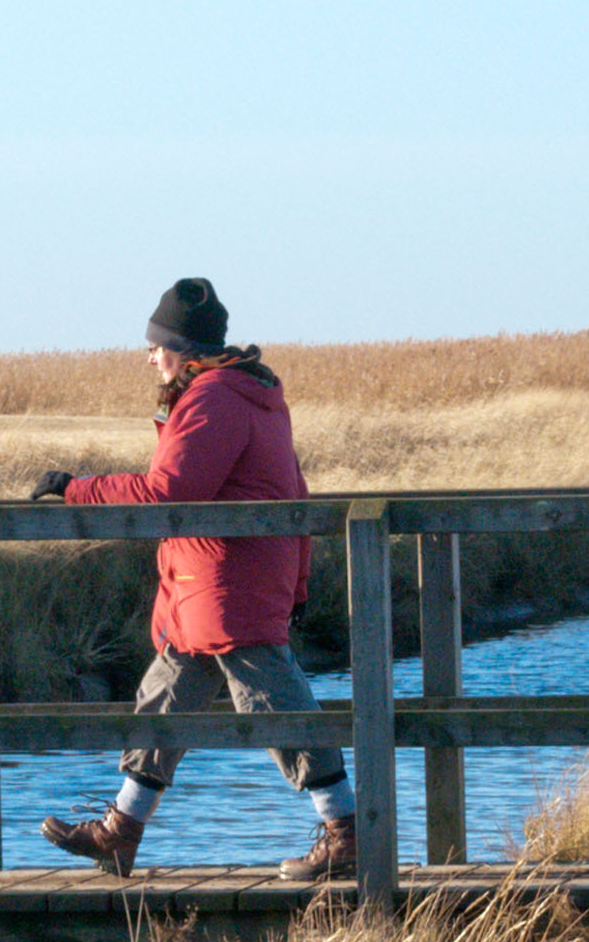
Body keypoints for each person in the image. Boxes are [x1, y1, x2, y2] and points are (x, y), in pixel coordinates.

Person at [32, 277, 361, 881]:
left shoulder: (215, 400)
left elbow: (169, 491)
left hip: (226, 585)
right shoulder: (248, 393)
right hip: (214, 582)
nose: (149, 357)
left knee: (275, 705)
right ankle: (119, 831)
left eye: (158, 346)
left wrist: (79, 489)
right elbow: (294, 489)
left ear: (186, 350)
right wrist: (299, 577)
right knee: (164, 697)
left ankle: (346, 832)